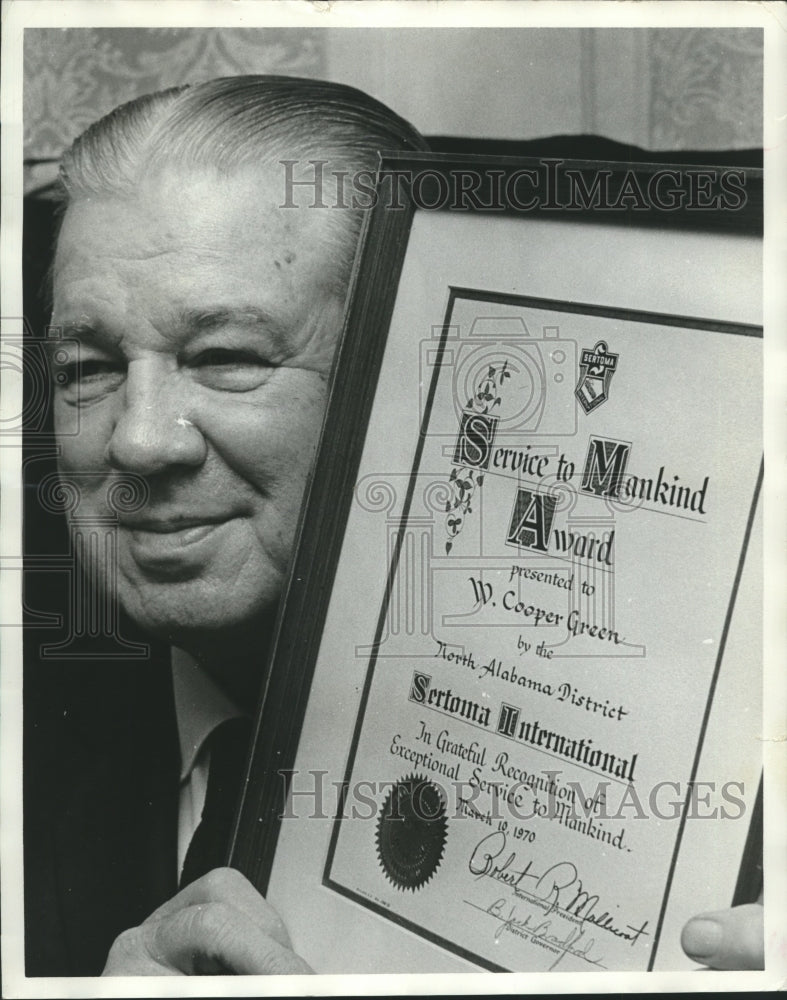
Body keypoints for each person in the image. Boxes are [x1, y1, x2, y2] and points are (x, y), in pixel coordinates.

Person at [23, 74, 763, 977]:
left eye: (224, 357)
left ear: (409, 376)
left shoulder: (716, 794)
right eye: (87, 368)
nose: (137, 442)